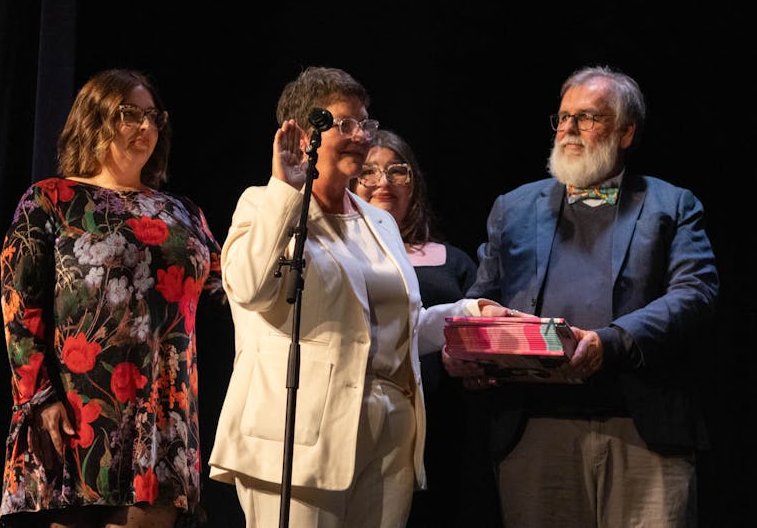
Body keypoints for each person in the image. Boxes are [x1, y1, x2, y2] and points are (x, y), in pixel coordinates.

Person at [207, 66, 510, 528]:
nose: (361, 135)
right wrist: (287, 192)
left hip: (388, 432)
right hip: (301, 436)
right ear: (303, 134)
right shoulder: (264, 204)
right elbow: (249, 288)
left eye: (365, 123)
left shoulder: (378, 222)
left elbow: (395, 329)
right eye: (344, 123)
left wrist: (468, 313)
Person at [443, 65, 719, 527]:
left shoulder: (671, 204)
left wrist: (610, 342)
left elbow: (695, 294)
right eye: (564, 117)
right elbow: (481, 300)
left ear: (626, 133)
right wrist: (468, 350)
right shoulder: (514, 207)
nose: (569, 128)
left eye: (587, 118)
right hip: (536, 431)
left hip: (641, 431)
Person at [0, 69, 225, 528]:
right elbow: (20, 307)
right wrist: (39, 398)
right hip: (77, 410)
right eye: (129, 114)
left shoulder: (183, 212)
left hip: (163, 416)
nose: (145, 126)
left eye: (153, 116)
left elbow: (236, 287)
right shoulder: (51, 200)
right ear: (94, 120)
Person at [350, 129, 493, 527]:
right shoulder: (337, 254)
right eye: (369, 171)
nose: (384, 182)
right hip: (364, 415)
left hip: (444, 420)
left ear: (414, 185)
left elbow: (471, 331)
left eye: (397, 171)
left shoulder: (453, 260)